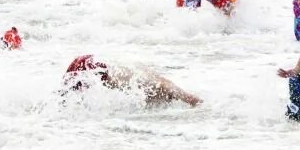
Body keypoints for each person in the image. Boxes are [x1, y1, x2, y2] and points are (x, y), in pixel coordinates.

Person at [60, 56, 201, 107]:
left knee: (64, 96)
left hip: (99, 66)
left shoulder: (155, 87)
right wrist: (194, 102)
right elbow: (172, 89)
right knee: (65, 97)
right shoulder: (159, 88)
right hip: (99, 69)